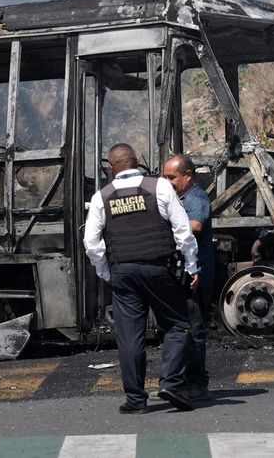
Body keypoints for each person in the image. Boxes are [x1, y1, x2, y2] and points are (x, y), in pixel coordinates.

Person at [84, 143, 199, 414]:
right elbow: (183, 231)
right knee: (178, 324)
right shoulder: (159, 187)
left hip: (123, 273)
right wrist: (193, 267)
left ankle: (136, 401)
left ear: (111, 168)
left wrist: (105, 272)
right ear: (136, 162)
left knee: (130, 337)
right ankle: (171, 382)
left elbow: (91, 242)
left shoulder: (102, 196)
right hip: (159, 269)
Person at [162, 154, 215, 401]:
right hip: (184, 273)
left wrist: (165, 227)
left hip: (197, 274)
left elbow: (195, 226)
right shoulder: (178, 198)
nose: (167, 182)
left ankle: (197, 384)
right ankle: (180, 383)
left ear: (188, 176)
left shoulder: (196, 197)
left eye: (171, 177)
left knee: (195, 330)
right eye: (164, 177)